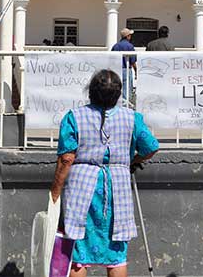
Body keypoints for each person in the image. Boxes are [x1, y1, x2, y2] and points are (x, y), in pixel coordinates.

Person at [49, 69, 159, 276]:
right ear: (118, 94)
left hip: (81, 186)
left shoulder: (74, 117)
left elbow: (66, 159)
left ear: (91, 92)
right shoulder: (132, 117)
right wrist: (132, 161)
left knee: (77, 253)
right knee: (116, 254)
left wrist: (54, 192)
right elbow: (151, 147)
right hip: (118, 183)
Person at [111, 28, 137, 102]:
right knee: (127, 90)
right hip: (126, 70)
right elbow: (133, 61)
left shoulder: (115, 46)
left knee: (116, 89)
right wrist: (136, 71)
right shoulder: (130, 46)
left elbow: (111, 59)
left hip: (116, 70)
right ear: (128, 36)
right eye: (130, 35)